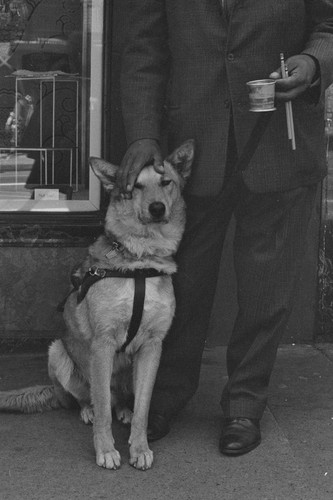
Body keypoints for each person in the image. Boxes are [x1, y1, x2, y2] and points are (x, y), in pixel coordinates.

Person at [118, 1, 333, 456]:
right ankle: (163, 395)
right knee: (183, 284)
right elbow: (142, 49)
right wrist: (142, 132)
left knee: (266, 287)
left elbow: (329, 24)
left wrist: (313, 63)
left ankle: (244, 404)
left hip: (280, 140)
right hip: (189, 148)